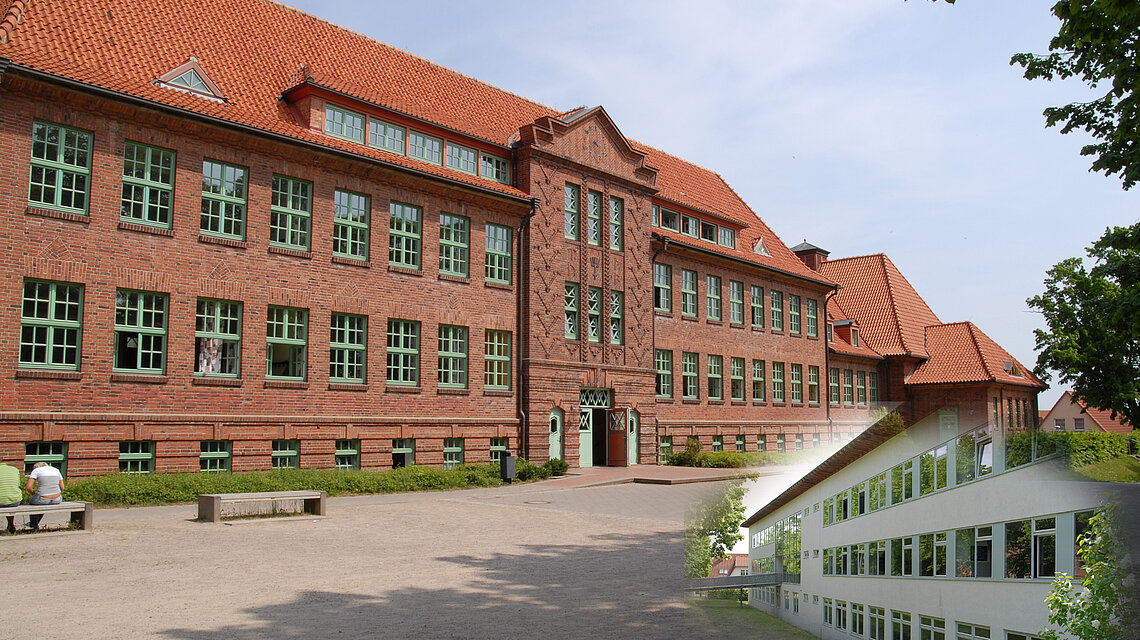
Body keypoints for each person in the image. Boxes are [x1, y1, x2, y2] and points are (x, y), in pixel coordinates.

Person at [26, 461, 64, 530]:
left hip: (43, 498)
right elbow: (62, 488)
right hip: (57, 499)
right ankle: (36, 523)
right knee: (43, 503)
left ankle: (33, 524)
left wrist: (34, 494)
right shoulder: (56, 470)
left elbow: (28, 487)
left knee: (34, 501)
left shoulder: (36, 470)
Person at [0, 460, 21, 534]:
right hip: (14, 501)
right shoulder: (14, 469)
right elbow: (18, 484)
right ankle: (11, 525)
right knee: (9, 500)